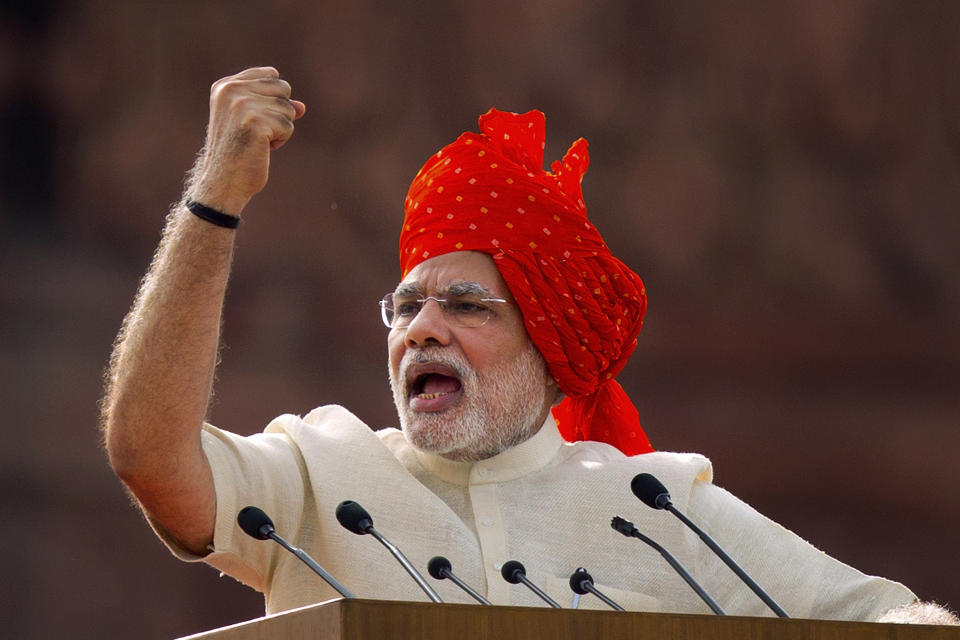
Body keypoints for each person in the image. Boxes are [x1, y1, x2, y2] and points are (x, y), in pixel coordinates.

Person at [101, 67, 955, 623]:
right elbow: (150, 454)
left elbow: (887, 617)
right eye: (405, 307)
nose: (421, 329)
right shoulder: (317, 475)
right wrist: (214, 201)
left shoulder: (657, 511)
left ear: (546, 343)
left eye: (466, 305)